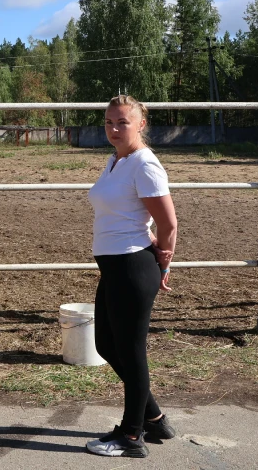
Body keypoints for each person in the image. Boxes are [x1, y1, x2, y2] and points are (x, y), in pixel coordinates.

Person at [84, 95, 178, 459]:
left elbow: (169, 223)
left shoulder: (144, 165)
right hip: (115, 267)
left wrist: (164, 263)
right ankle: (154, 417)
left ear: (141, 124)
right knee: (107, 344)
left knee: (131, 352)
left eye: (122, 122)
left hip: (133, 267)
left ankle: (132, 436)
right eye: (109, 122)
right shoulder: (115, 160)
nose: (114, 129)